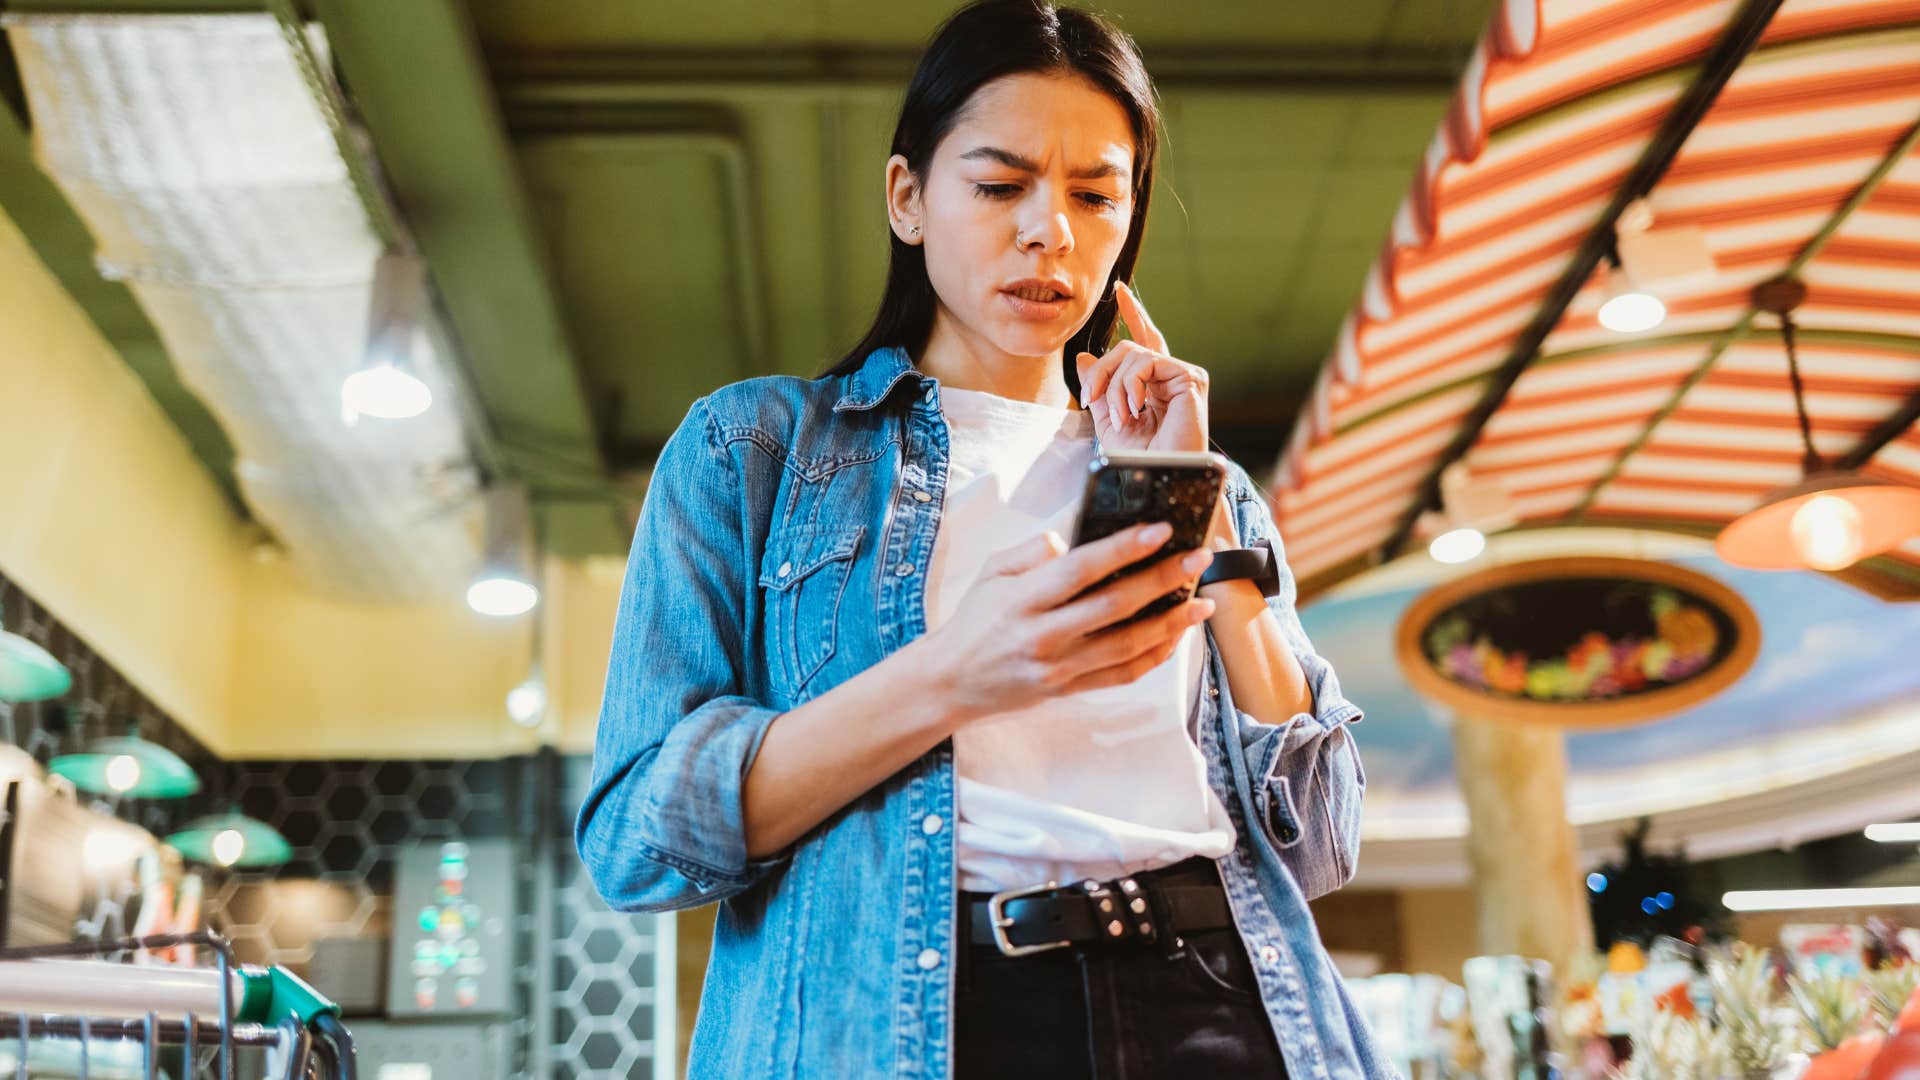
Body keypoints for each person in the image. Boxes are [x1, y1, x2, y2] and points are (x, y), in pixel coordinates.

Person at [575, 1, 1390, 1076]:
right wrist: (953, 676)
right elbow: (638, 840)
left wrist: (1205, 515)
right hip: (914, 1021)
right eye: (1000, 185)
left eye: (1095, 194)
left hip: (1218, 1004)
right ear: (908, 198)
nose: (1050, 230)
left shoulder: (1206, 481)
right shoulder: (758, 449)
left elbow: (1323, 843)